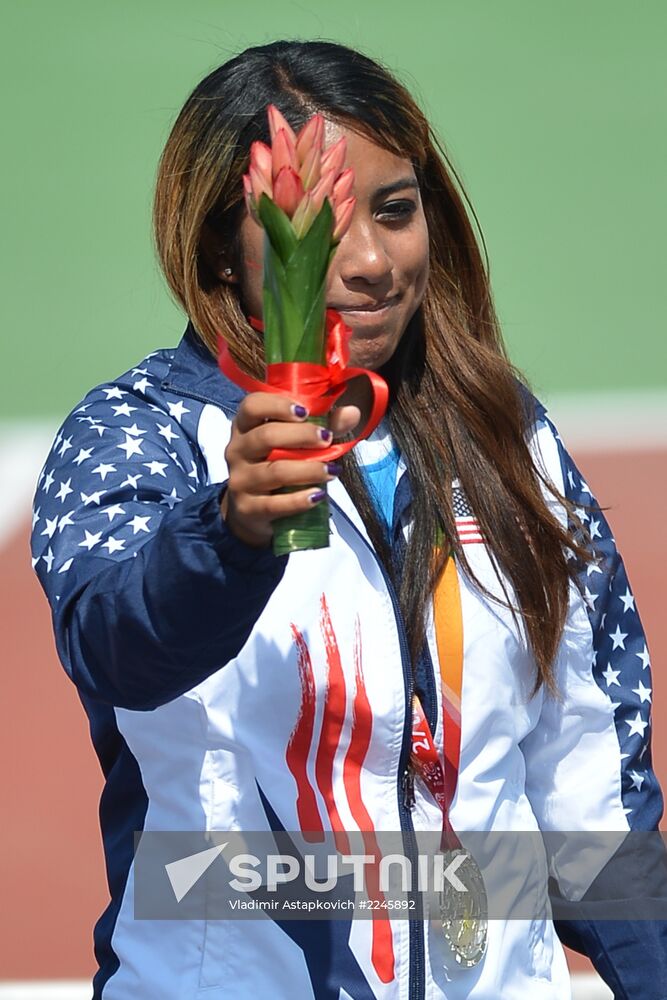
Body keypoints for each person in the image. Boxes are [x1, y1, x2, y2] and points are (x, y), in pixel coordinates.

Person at [31, 39, 665, 999]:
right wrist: (229, 536)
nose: (370, 261)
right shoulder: (140, 432)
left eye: (397, 211)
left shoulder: (504, 435)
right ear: (219, 247)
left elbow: (589, 779)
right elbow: (113, 645)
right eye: (316, 225)